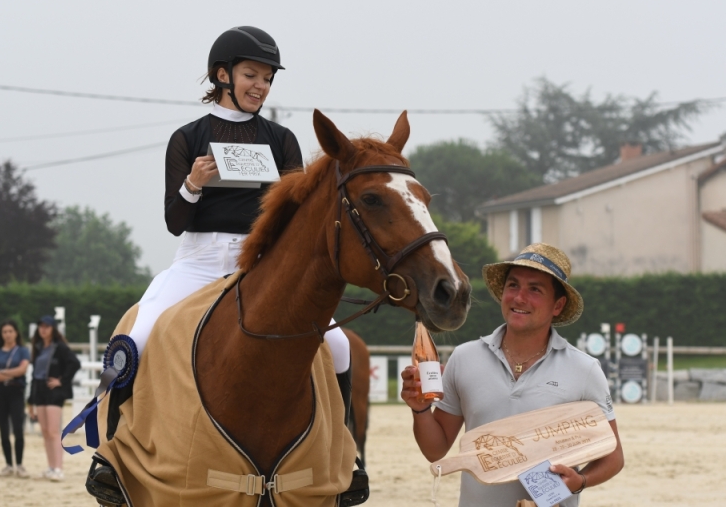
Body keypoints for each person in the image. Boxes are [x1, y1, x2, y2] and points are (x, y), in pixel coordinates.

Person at [126, 25, 351, 391]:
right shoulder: (187, 137)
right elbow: (174, 222)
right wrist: (192, 184)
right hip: (198, 263)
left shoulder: (282, 140)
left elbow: (298, 219)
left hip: (261, 263)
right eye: (250, 75)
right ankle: (114, 442)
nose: (260, 86)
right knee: (139, 338)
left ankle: (346, 444)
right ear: (222, 75)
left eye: (267, 78)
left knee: (340, 346)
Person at [401, 243, 624, 506]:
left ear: (558, 305)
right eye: (513, 285)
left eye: (535, 289)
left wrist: (580, 481)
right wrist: (420, 410)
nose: (519, 298)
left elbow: (614, 456)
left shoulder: (584, 369)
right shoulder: (464, 358)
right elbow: (435, 450)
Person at [28, 315, 80, 482]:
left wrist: (62, 381)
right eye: (41, 326)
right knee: (44, 432)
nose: (43, 329)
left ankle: (58, 468)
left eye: (47, 326)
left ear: (53, 329)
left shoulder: (60, 347)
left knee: (53, 431)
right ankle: (51, 467)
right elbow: (34, 374)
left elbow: (74, 363)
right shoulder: (38, 347)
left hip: (53, 391)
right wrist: (30, 400)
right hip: (39, 390)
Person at [0, 320, 31, 478]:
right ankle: (8, 464)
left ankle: (19, 464)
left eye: (10, 331)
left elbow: (22, 370)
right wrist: (11, 372)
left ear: (16, 333)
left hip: (16, 391)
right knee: (3, 429)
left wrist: (3, 372)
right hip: (0, 392)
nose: (7, 334)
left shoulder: (22, 350)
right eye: (4, 332)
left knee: (18, 428)